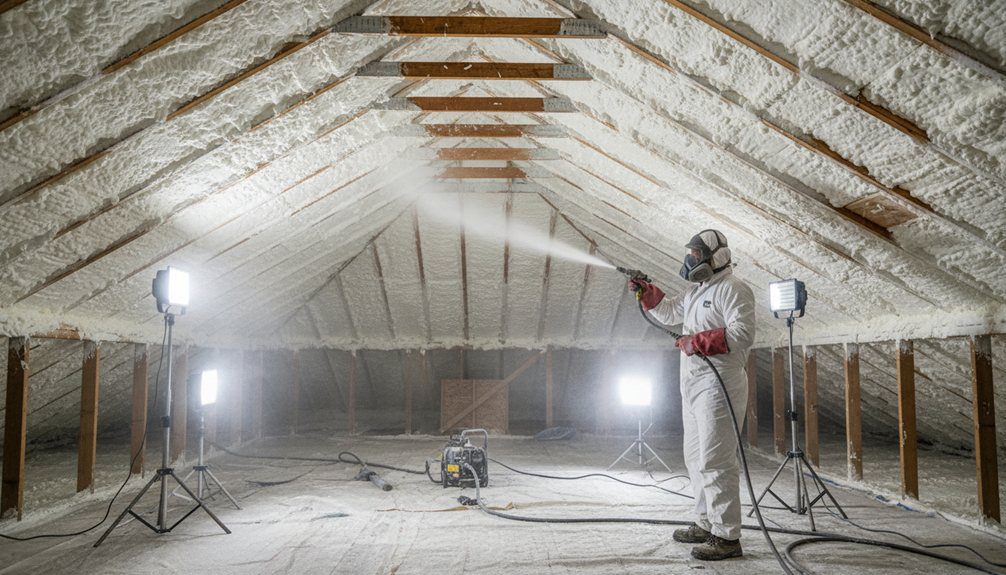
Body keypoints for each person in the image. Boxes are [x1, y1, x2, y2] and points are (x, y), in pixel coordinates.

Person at [629, 229, 755, 561]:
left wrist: (695, 342)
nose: (690, 260)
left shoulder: (733, 289)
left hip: (720, 384)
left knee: (716, 460)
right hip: (694, 384)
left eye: (696, 256)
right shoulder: (698, 289)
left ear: (718, 258)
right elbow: (671, 312)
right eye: (690, 254)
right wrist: (649, 293)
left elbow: (742, 334)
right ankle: (705, 522)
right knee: (696, 458)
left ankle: (727, 536)